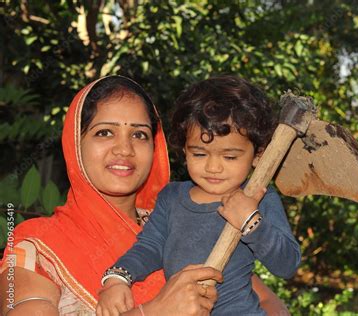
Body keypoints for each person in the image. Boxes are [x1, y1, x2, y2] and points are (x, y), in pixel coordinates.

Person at [0, 76, 289, 315]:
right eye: (104, 133)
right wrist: (153, 311)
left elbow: (267, 301)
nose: (124, 149)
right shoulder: (37, 244)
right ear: (75, 142)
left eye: (138, 134)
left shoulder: (184, 217)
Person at [97, 75, 301, 315]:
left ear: (258, 155)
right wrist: (117, 278)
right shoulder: (171, 198)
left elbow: (287, 264)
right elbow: (149, 247)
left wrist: (251, 222)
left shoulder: (258, 198)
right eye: (200, 154)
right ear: (185, 149)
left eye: (230, 157)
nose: (213, 168)